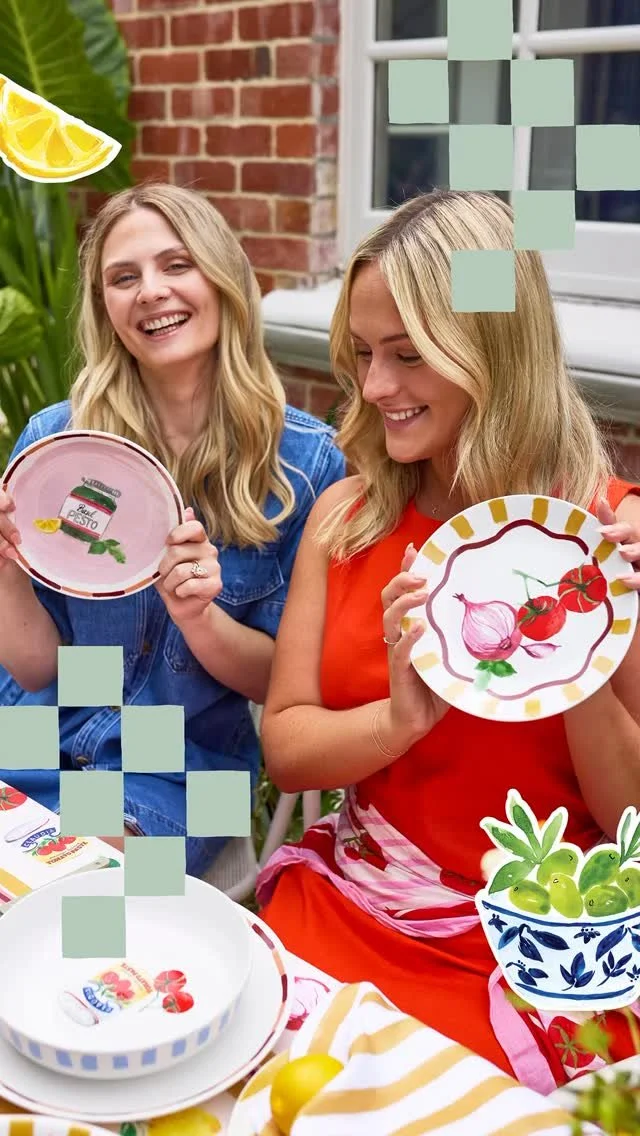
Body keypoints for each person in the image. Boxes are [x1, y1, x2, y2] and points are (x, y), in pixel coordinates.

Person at [255, 189, 640, 1091]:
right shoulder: (345, 519)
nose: (373, 388)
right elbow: (288, 750)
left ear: (493, 347)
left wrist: (580, 658)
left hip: (546, 942)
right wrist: (400, 720)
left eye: (408, 354)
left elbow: (630, 816)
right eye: (362, 354)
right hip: (357, 901)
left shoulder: (609, 539)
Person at [0, 183, 345, 878]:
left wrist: (200, 619)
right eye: (123, 277)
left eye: (176, 264)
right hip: (39, 726)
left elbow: (282, 682)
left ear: (223, 279)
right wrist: (6, 573)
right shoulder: (58, 445)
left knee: (84, 893)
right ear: (104, 306)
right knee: (24, 893)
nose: (151, 291)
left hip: (190, 763)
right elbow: (37, 669)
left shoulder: (307, 465)